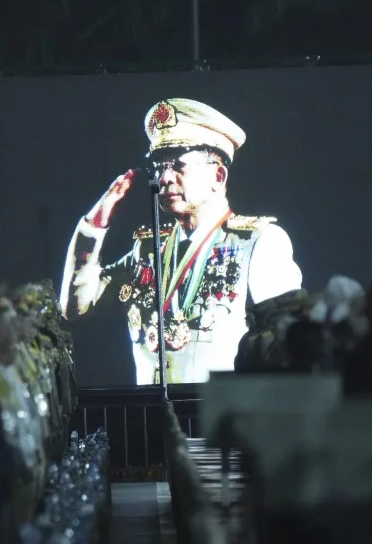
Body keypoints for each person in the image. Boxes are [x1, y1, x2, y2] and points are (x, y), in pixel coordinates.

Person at [58, 98, 303, 384]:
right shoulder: (147, 251)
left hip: (221, 420)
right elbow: (75, 307)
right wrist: (95, 226)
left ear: (218, 175)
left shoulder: (258, 243)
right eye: (160, 167)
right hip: (151, 420)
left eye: (178, 165)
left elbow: (286, 345)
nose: (164, 178)